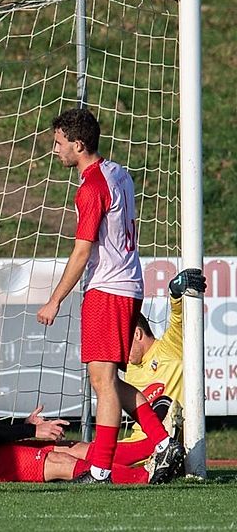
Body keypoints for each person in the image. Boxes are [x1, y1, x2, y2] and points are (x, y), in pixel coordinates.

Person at [36, 108, 182, 483]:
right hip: (127, 283)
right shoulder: (118, 172)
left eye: (59, 143)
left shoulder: (91, 187)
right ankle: (162, 439)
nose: (56, 151)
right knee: (107, 379)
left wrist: (55, 300)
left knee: (102, 380)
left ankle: (101, 467)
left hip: (108, 288)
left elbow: (82, 250)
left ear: (78, 144)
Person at [0, 319, 156, 484]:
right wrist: (32, 429)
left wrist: (25, 423)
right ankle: (144, 478)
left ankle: (154, 449)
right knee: (59, 461)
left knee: (75, 448)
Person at [59, 268, 205, 469]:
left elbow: (180, 319)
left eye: (121, 341)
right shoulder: (129, 370)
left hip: (155, 445)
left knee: (73, 455)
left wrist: (175, 294)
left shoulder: (170, 347)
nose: (118, 349)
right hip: (136, 443)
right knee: (64, 449)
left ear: (136, 334)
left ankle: (159, 457)